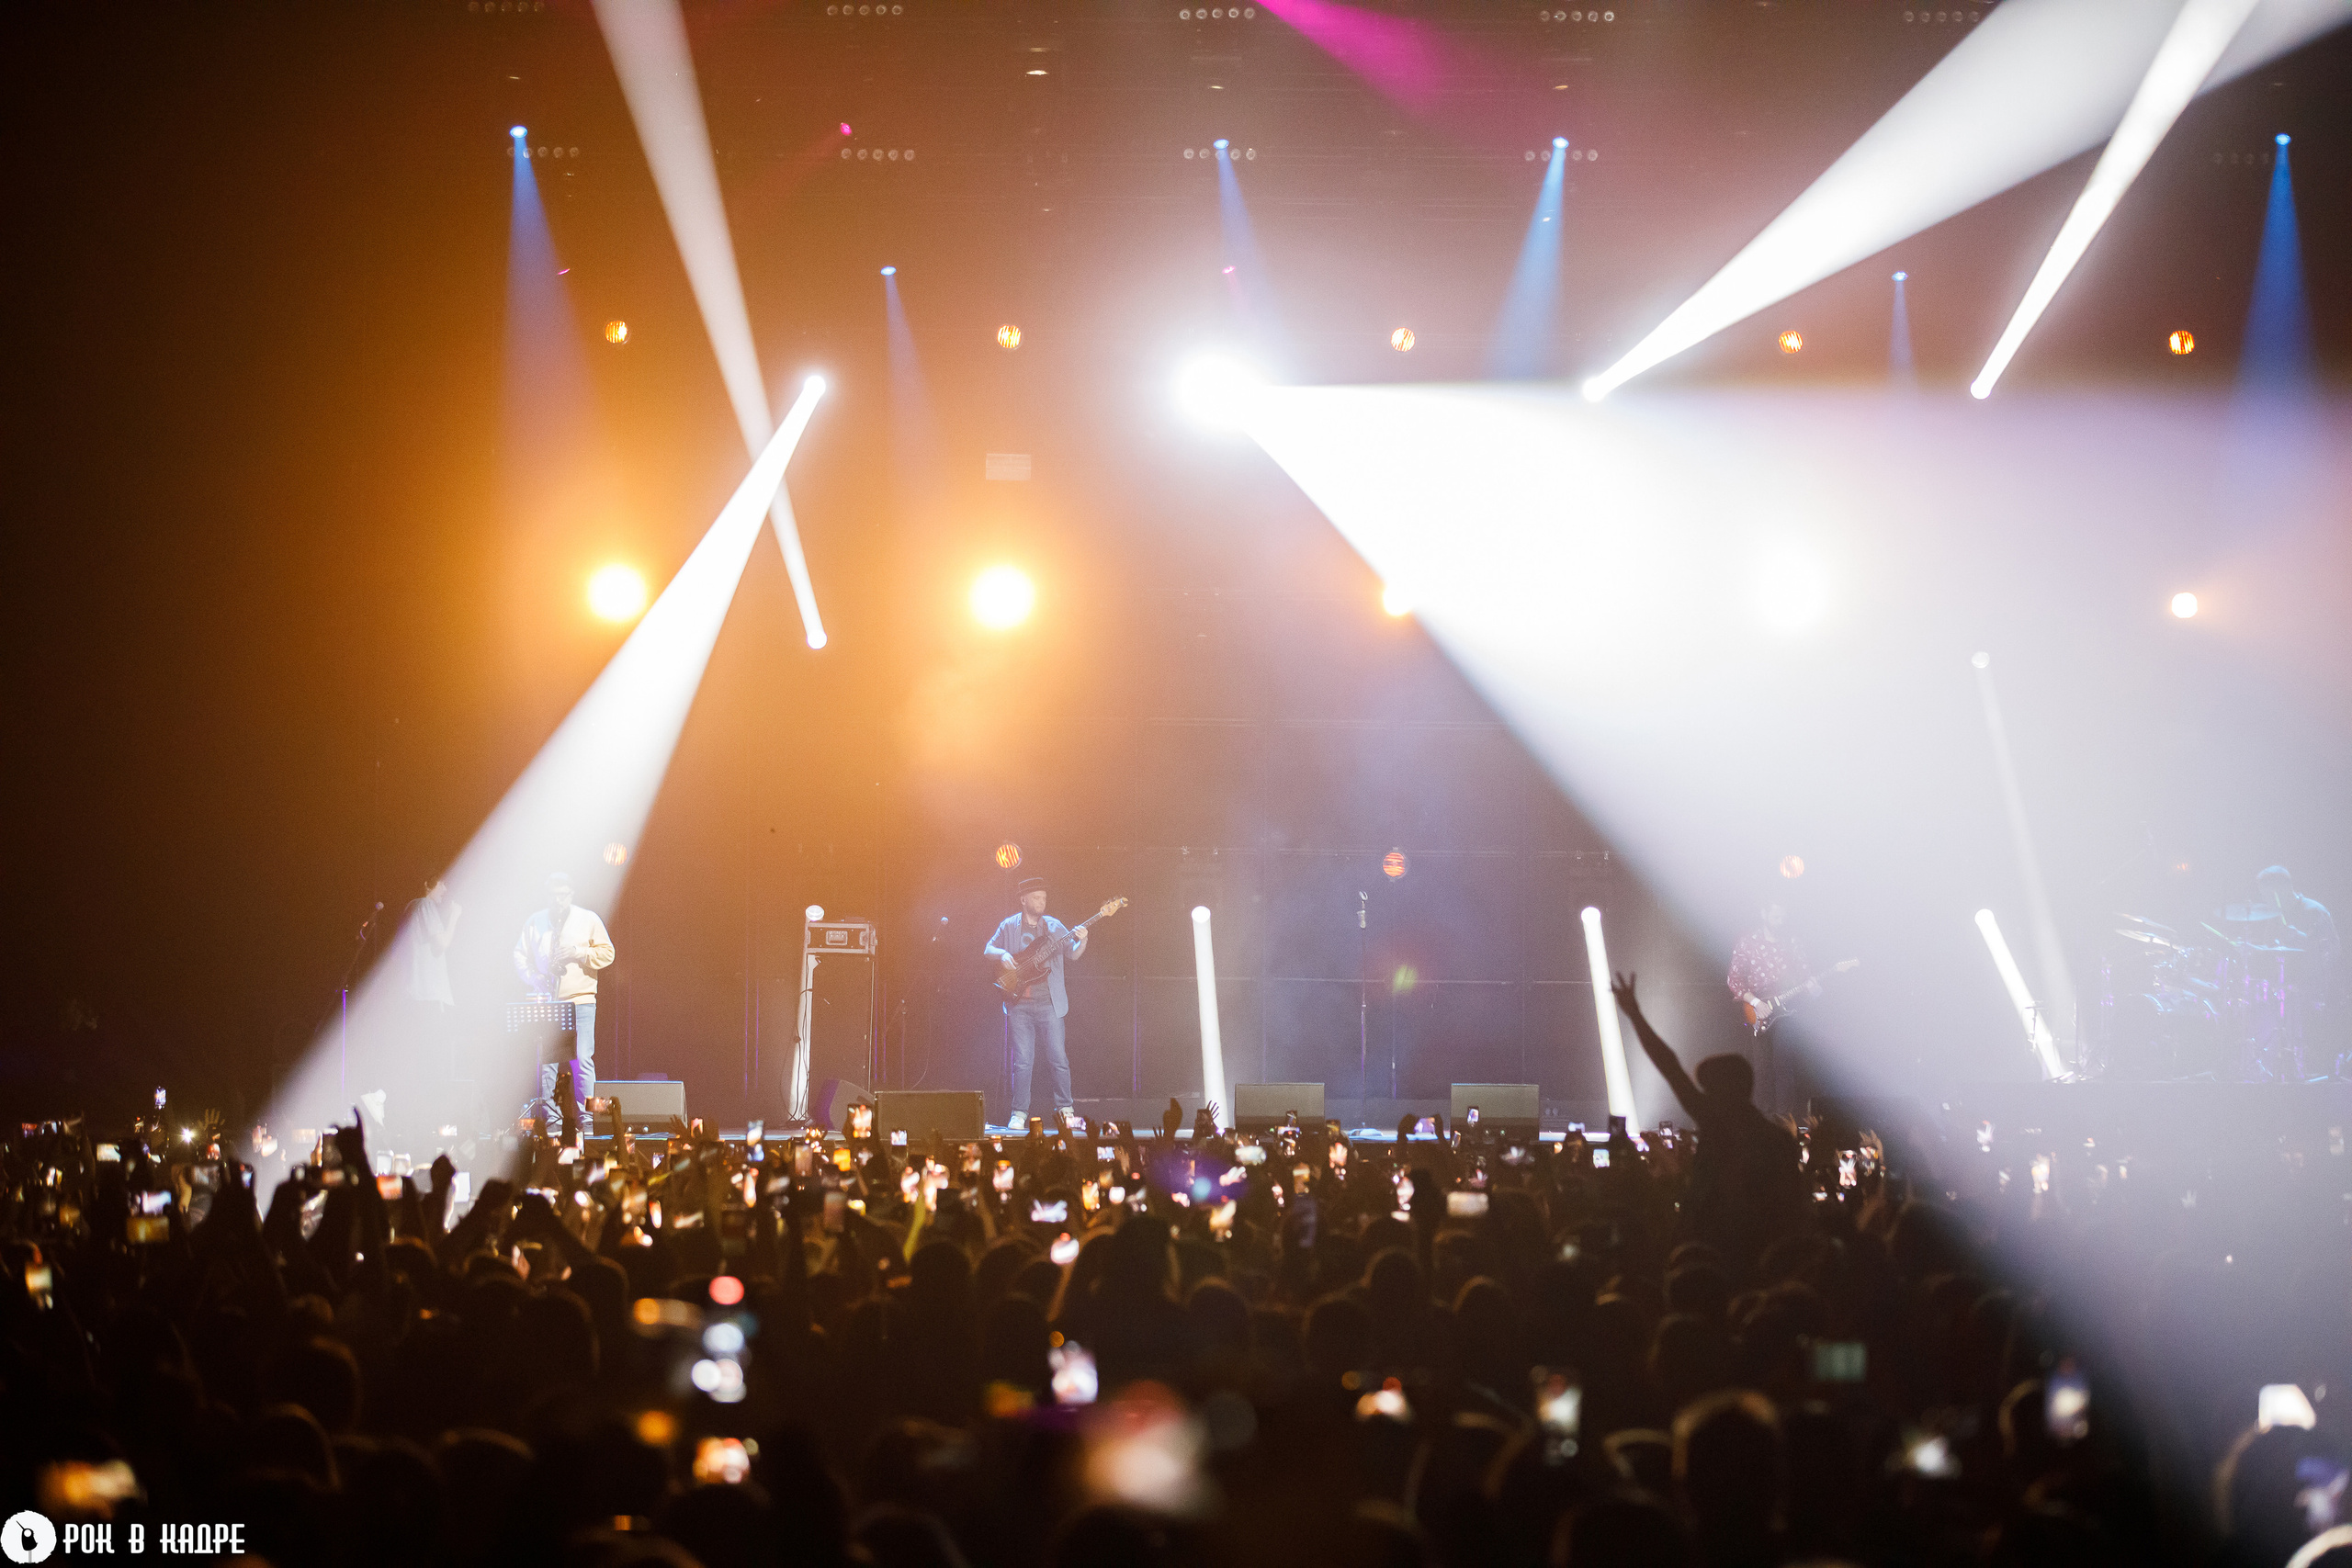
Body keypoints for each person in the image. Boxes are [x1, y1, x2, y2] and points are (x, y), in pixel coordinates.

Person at [1611, 970, 1806, 1271]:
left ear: (1724, 1091)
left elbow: (1670, 1065)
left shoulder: (1718, 1124)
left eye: (1708, 1089)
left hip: (1710, 1252)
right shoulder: (1778, 1140)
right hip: (1765, 1259)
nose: (1701, 1095)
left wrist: (1635, 1015)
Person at [983, 875, 1089, 1132]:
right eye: (1037, 897)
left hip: (1049, 1003)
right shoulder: (1009, 926)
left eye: (1044, 897)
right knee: (1022, 1061)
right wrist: (1004, 954)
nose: (1042, 901)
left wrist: (1083, 939)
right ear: (1024, 900)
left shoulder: (1053, 927)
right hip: (1018, 1002)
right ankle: (1019, 1113)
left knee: (1058, 1058)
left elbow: (1073, 954)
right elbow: (988, 949)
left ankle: (1066, 1110)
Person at [512, 873, 615, 1126]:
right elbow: (519, 955)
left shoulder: (588, 919)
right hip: (548, 1001)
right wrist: (535, 977)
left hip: (580, 1000)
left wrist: (577, 952)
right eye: (553, 895)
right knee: (546, 1061)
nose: (558, 900)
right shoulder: (535, 921)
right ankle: (551, 1117)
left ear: (571, 895)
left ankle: (587, 1115)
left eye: (563, 895)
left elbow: (608, 953)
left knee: (582, 1058)